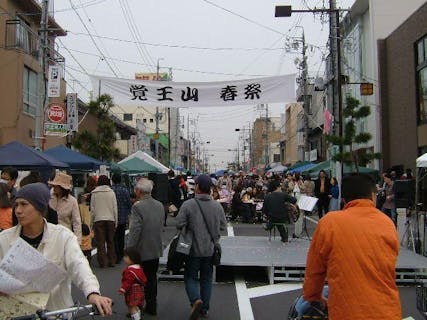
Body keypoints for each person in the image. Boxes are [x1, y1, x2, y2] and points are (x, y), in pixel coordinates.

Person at [0, 183, 113, 315]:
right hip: (16, 313)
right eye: (16, 204)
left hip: (55, 312)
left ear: (40, 208)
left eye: (24, 204)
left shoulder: (62, 237)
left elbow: (79, 265)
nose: (18, 210)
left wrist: (92, 293)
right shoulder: (4, 239)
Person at [303, 174, 401, 320]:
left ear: (344, 199)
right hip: (387, 310)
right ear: (373, 196)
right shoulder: (387, 223)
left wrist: (313, 296)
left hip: (347, 311)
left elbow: (315, 269)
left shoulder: (330, 222)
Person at [176, 174, 227, 319]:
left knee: (190, 276)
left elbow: (179, 224)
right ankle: (204, 309)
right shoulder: (217, 206)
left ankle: (195, 299)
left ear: (197, 187)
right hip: (210, 249)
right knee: (206, 278)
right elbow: (223, 226)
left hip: (192, 249)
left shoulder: (188, 204)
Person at [127, 178, 164, 316]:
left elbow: (135, 230)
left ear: (139, 191)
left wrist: (130, 248)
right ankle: (152, 305)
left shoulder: (137, 207)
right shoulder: (159, 205)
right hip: (155, 247)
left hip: (141, 249)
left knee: (136, 279)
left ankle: (136, 307)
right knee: (152, 278)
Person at [90, 175, 118, 268]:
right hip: (110, 219)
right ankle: (112, 261)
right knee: (110, 241)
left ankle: (103, 262)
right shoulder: (111, 192)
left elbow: (92, 209)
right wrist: (116, 221)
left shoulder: (95, 193)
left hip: (98, 219)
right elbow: (115, 208)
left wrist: (91, 221)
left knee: (100, 242)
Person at [49, 172, 82, 244]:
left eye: (56, 186)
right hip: (50, 235)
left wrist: (77, 242)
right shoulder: (49, 197)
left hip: (65, 237)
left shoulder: (72, 201)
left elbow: (77, 222)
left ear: (62, 188)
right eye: (53, 186)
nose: (54, 187)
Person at [262, 179, 297, 243]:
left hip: (271, 217)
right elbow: (294, 200)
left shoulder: (267, 196)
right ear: (277, 187)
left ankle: (269, 225)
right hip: (283, 217)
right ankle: (284, 237)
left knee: (274, 218)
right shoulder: (283, 195)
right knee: (279, 220)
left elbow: (264, 210)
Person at [119, 247, 147, 320]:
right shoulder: (139, 268)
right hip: (139, 289)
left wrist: (123, 289)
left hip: (132, 291)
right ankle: (138, 316)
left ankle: (136, 318)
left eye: (126, 256)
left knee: (131, 307)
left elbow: (127, 282)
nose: (124, 258)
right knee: (136, 306)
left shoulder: (130, 271)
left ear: (132, 258)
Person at [111, 173, 132, 264]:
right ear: (120, 180)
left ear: (112, 180)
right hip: (123, 217)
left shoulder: (110, 190)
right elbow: (128, 203)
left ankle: (115, 254)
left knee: (114, 237)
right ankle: (120, 254)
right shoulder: (124, 190)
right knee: (121, 236)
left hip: (112, 217)